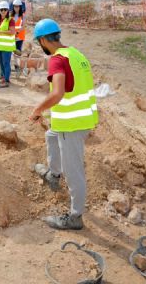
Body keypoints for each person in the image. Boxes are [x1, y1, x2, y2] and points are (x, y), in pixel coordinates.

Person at [29, 19, 98, 230]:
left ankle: (75, 217)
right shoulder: (75, 54)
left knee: (74, 170)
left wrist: (38, 109)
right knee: (51, 135)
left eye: (38, 42)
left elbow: (57, 93)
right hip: (81, 117)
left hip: (72, 124)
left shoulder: (57, 60)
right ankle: (53, 174)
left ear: (42, 40)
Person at [0, 1, 16, 88]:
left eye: (5, 9)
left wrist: (0, 32)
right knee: (1, 63)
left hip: (7, 46)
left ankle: (6, 80)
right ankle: (4, 78)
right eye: (1, 9)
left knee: (6, 63)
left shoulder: (11, 20)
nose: (3, 11)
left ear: (8, 10)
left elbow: (12, 32)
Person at [11, 0, 27, 76]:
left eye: (18, 6)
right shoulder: (11, 15)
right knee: (14, 53)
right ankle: (16, 67)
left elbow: (23, 26)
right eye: (15, 6)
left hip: (19, 37)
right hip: (13, 37)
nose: (16, 8)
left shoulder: (23, 16)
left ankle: (20, 68)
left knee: (18, 53)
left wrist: (16, 32)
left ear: (20, 7)